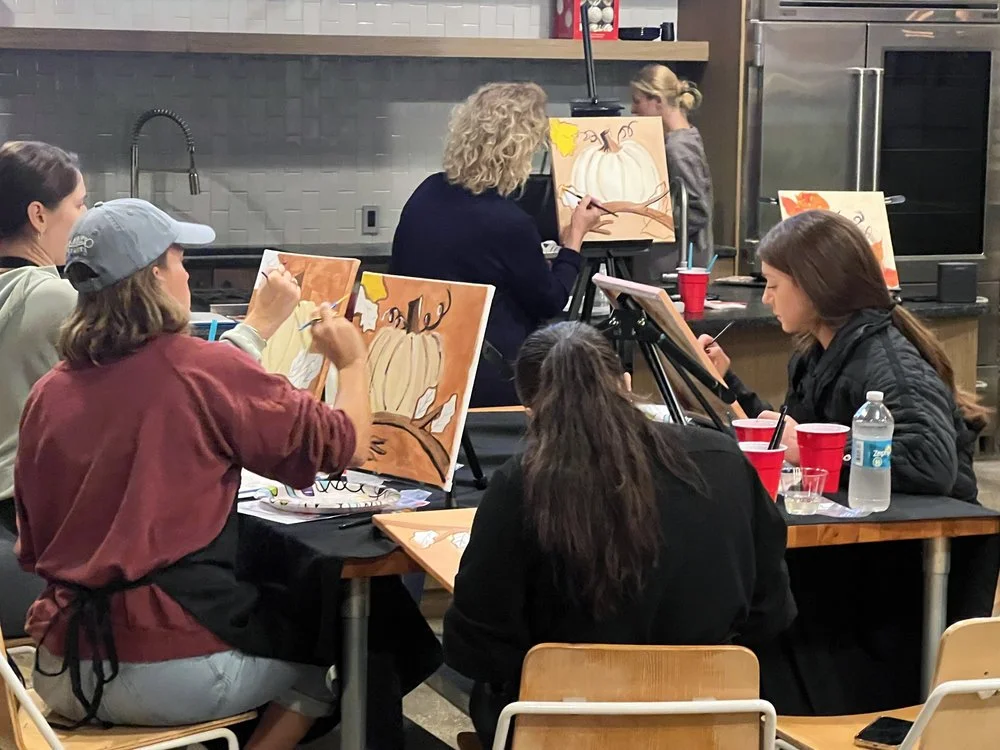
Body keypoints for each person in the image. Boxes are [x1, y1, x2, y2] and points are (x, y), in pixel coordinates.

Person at [14, 199, 374, 748]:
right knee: (332, 654)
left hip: (59, 667)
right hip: (166, 667)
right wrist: (352, 363)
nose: (187, 274)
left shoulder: (48, 393)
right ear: (156, 275)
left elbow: (34, 544)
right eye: (180, 260)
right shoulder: (200, 369)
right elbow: (345, 444)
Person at [698, 209, 999, 715]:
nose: (766, 298)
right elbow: (794, 436)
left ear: (815, 287)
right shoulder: (819, 354)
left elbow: (930, 463)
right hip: (853, 556)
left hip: (888, 578)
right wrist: (732, 388)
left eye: (774, 285)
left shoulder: (888, 363)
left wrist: (818, 450)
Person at [443, 321, 796, 747]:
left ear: (530, 409)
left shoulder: (521, 484)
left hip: (562, 732)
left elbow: (475, 645)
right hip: (710, 728)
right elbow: (771, 611)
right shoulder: (722, 461)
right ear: (626, 384)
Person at [0, 141, 300, 639]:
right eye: (79, 206)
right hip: (29, 532)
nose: (85, 221)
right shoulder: (56, 297)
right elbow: (177, 380)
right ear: (38, 215)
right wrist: (256, 328)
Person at [391, 82, 608, 407]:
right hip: (486, 372)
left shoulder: (428, 191)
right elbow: (550, 301)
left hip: (415, 366)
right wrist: (574, 240)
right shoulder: (508, 222)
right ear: (518, 152)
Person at [631, 64, 714, 281]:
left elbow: (696, 211)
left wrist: (644, 219)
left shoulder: (678, 147)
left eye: (637, 101)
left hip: (675, 263)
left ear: (657, 101)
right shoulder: (685, 137)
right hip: (673, 261)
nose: (632, 109)